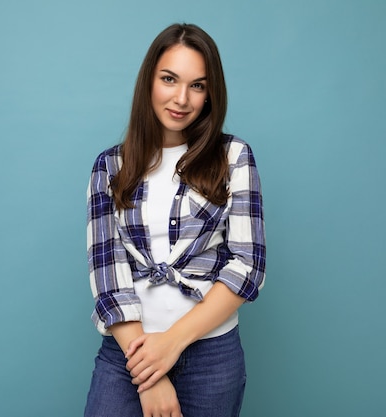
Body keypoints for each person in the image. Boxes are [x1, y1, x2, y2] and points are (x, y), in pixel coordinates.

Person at [84, 23, 266, 417]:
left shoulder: (234, 157)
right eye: (169, 79)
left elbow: (247, 267)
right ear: (149, 80)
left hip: (211, 359)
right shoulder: (110, 166)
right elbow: (107, 276)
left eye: (197, 85)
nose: (181, 98)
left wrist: (171, 344)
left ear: (210, 94)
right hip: (127, 356)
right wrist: (149, 372)